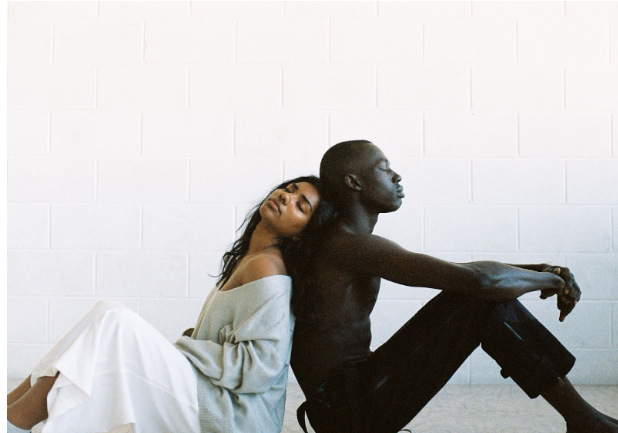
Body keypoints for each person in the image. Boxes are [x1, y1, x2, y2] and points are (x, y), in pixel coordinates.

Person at [292, 140, 618, 433]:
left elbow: (468, 274)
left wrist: (544, 270)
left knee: (474, 297)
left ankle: (585, 421)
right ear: (354, 182)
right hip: (347, 414)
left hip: (345, 405)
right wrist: (552, 279)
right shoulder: (348, 246)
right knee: (476, 300)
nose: (397, 176)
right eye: (384, 168)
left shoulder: (347, 242)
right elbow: (480, 280)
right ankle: (587, 423)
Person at [7, 175, 334, 433]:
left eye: (300, 205)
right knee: (107, 313)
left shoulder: (269, 268)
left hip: (234, 418)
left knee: (115, 323)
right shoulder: (251, 258)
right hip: (209, 392)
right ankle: (11, 412)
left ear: (300, 235)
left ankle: (15, 422)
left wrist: (183, 351)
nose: (286, 197)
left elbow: (259, 368)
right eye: (289, 189)